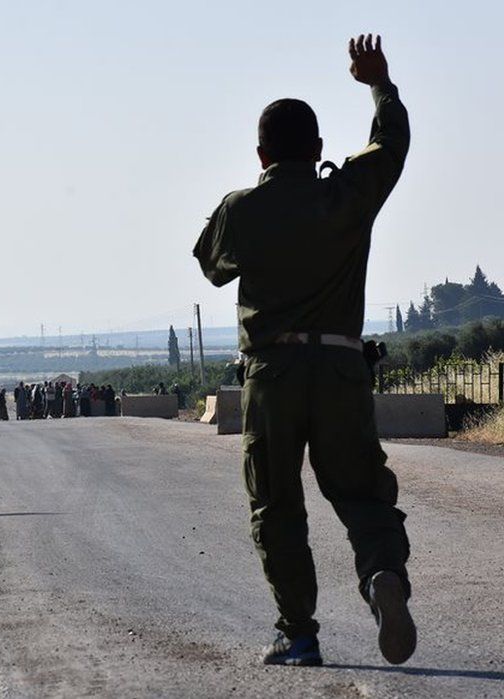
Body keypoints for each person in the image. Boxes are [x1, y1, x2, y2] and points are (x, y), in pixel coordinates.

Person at [193, 35, 414, 667]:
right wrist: (378, 82)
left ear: (261, 153)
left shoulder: (244, 209)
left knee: (277, 503)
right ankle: (381, 579)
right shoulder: (345, 192)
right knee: (364, 495)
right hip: (342, 367)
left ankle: (299, 632)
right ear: (318, 149)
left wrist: (256, 203)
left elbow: (210, 264)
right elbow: (391, 145)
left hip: (274, 372)